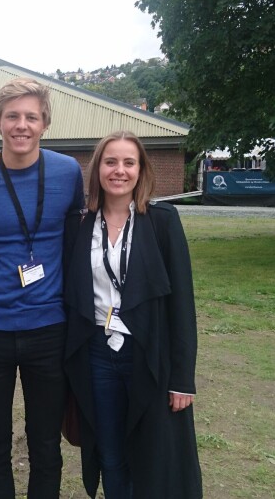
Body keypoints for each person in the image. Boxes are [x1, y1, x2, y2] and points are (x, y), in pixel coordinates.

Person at [0, 77, 84, 498]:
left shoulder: (67, 172)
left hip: (50, 328)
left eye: (31, 116)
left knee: (45, 443)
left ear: (45, 123)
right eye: (13, 116)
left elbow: (80, 241)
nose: (21, 125)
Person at [63, 132, 202, 498]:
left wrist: (182, 378)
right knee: (109, 452)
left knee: (152, 452)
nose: (119, 171)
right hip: (97, 354)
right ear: (98, 169)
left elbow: (182, 304)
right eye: (111, 162)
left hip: (148, 354)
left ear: (141, 170)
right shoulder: (79, 224)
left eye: (129, 163)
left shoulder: (161, 221)